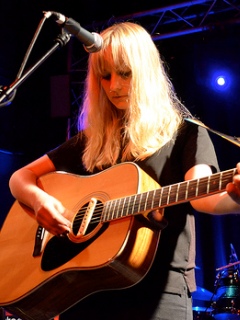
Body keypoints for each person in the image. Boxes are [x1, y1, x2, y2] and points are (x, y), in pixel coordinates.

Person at [8, 21, 240, 320]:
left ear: (146, 73)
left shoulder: (185, 134)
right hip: (85, 293)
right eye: (105, 76)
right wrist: (40, 202)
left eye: (125, 73)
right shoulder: (92, 142)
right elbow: (20, 177)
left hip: (158, 295)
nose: (114, 86)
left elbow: (203, 196)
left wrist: (235, 197)